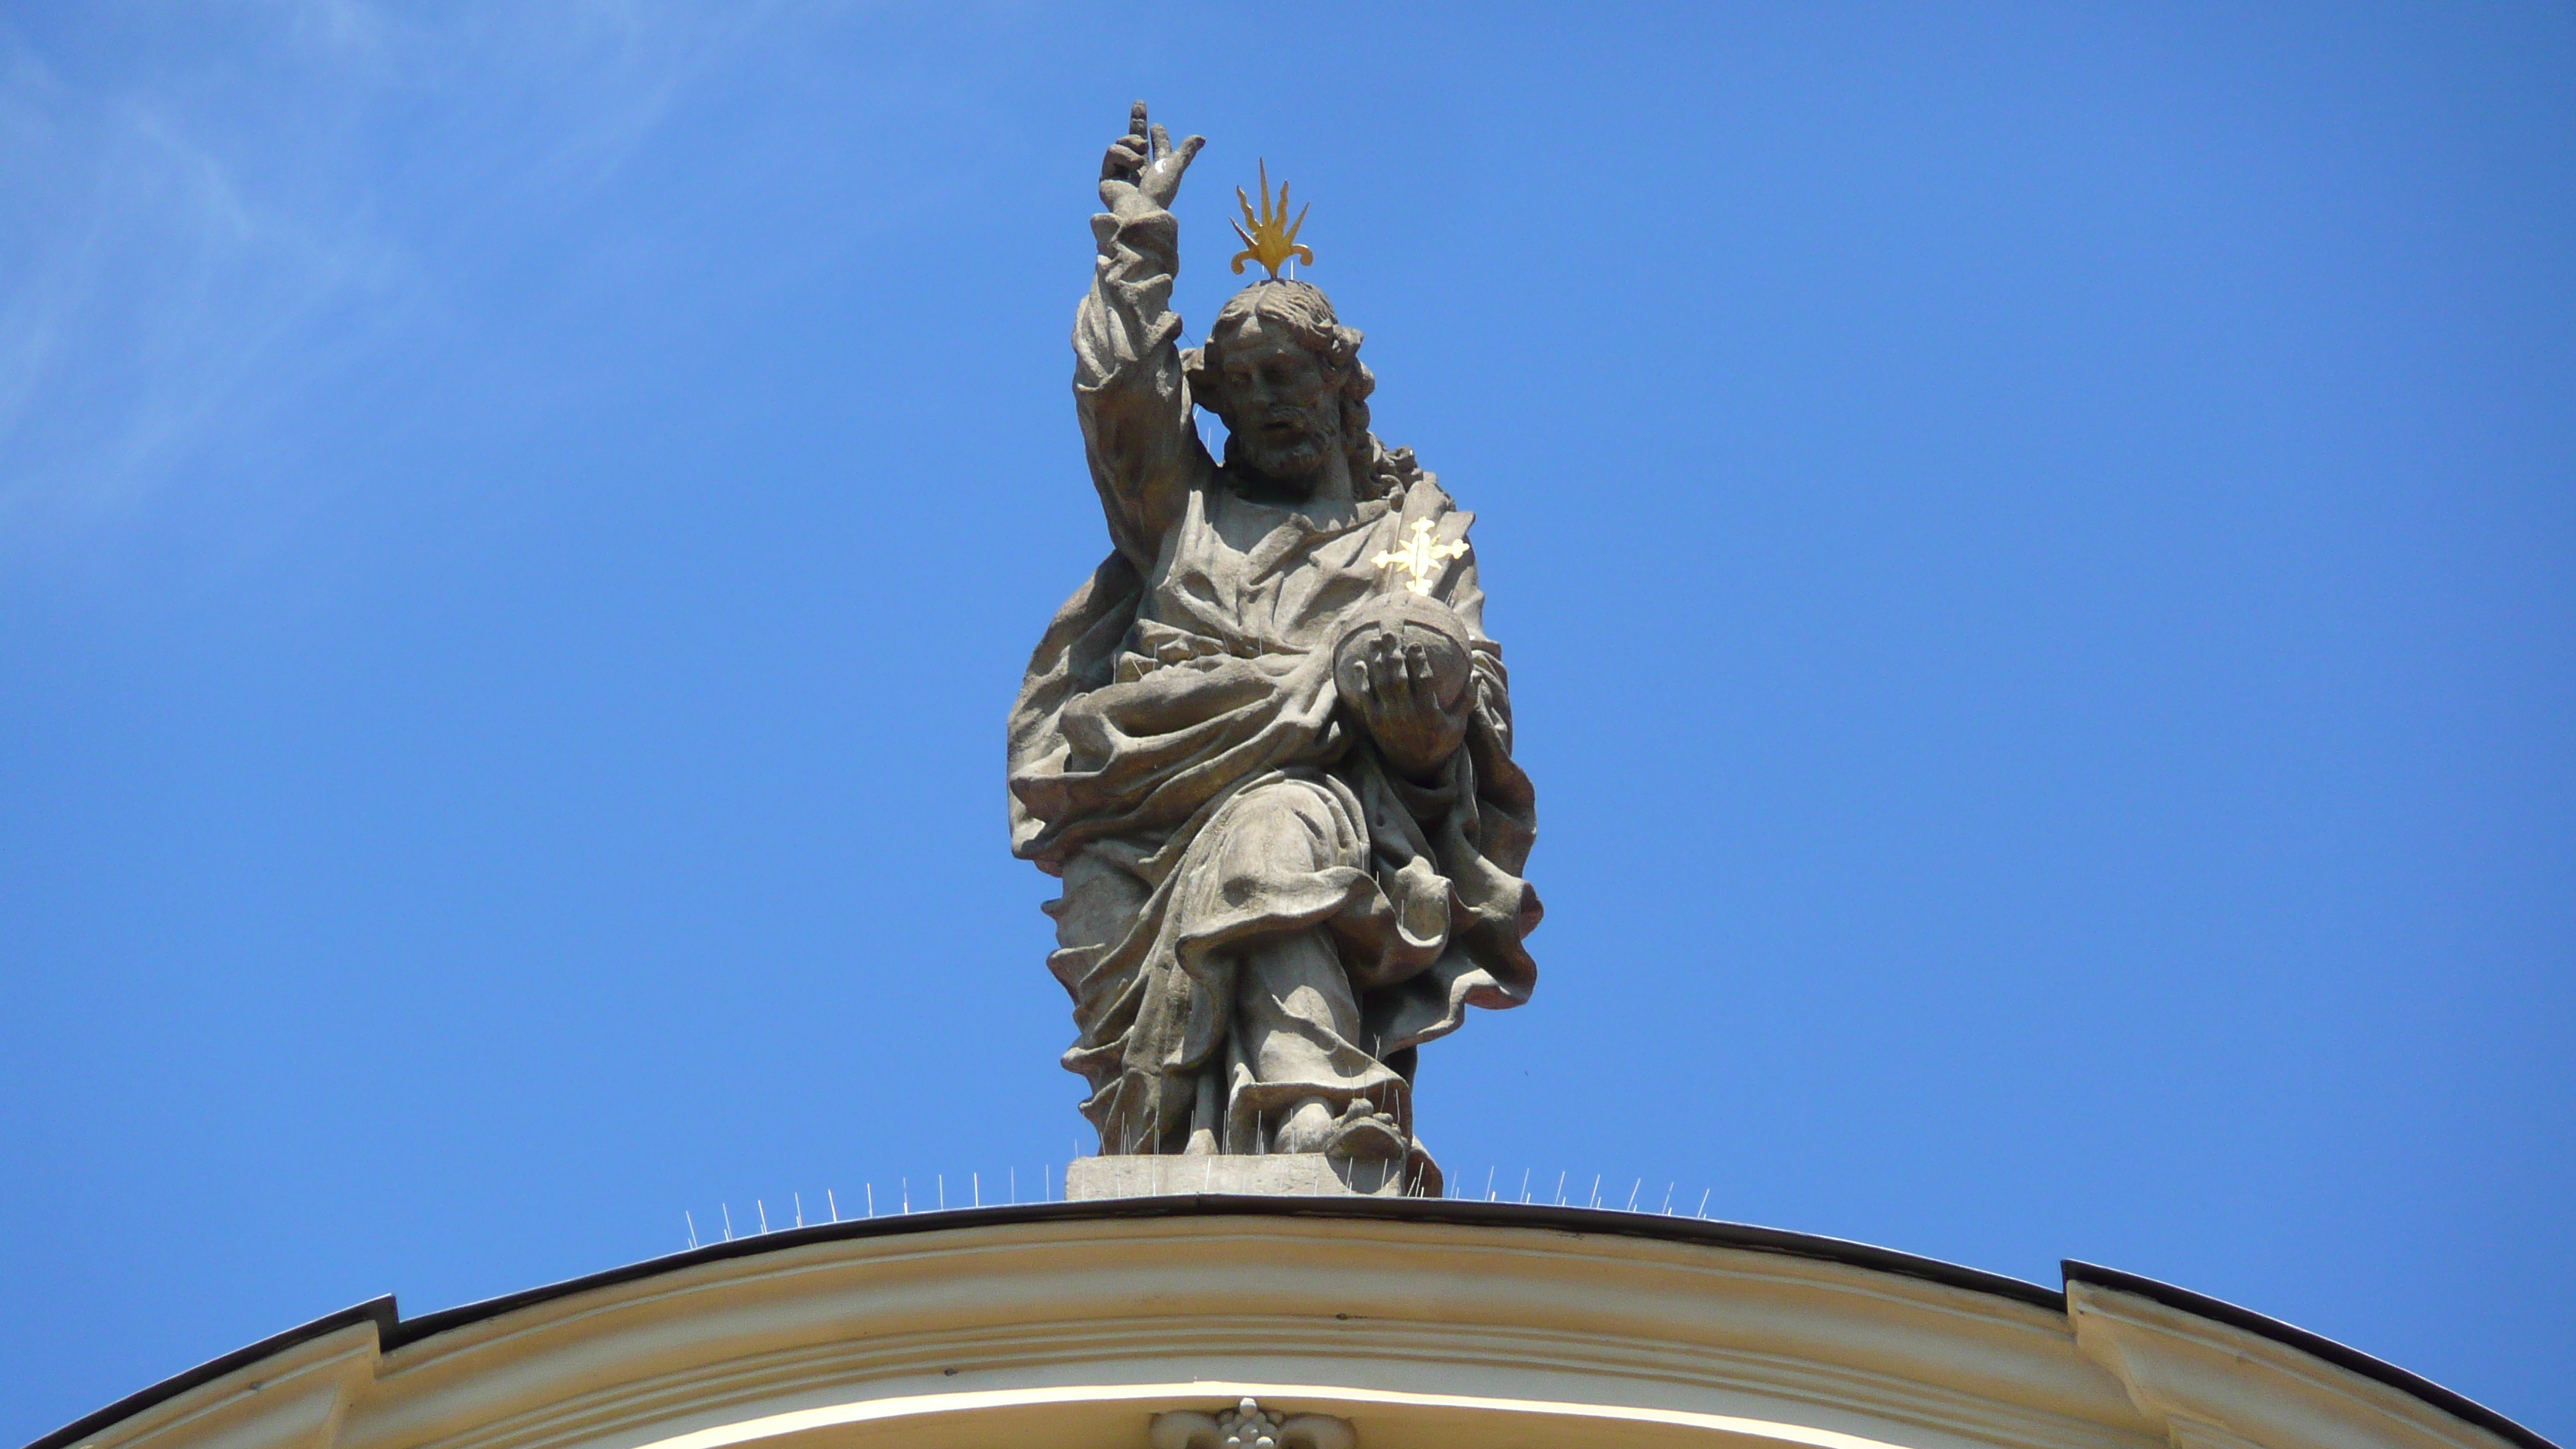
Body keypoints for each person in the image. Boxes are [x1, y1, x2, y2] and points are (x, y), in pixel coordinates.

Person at [1007, 103, 1540, 1193]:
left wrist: (1418, 711)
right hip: (1141, 804)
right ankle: (1197, 1151)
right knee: (1147, 1045)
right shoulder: (1181, 516)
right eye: (1240, 387)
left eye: (1289, 377)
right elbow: (1120, 406)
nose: (1267, 404)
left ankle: (1310, 1109)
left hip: (1330, 805)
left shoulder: (1413, 535)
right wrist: (1136, 252)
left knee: (1277, 825)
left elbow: (1470, 693)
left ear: (1342, 386)